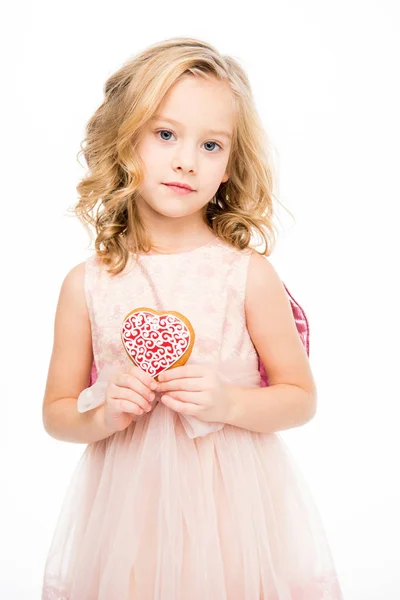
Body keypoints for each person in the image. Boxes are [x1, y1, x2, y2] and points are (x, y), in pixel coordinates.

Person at [41, 37, 344, 599]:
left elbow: (300, 397)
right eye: (165, 134)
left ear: (229, 166)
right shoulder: (86, 285)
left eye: (211, 145)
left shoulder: (246, 275)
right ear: (123, 141)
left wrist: (228, 402)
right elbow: (57, 414)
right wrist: (103, 415)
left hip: (233, 514)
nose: (186, 159)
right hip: (129, 516)